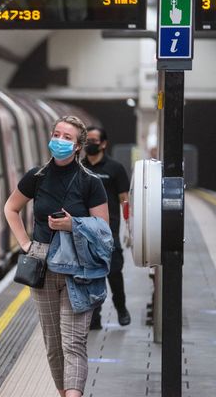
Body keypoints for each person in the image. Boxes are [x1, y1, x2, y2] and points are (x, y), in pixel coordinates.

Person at [4, 115, 108, 397]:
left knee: (73, 342)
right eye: (57, 134)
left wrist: (73, 224)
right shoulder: (36, 177)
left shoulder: (91, 182)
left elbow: (103, 230)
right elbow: (10, 208)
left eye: (67, 138)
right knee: (53, 344)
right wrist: (25, 243)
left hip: (79, 269)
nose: (60, 141)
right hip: (43, 265)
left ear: (78, 147)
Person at [83, 126, 131, 329]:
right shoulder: (79, 167)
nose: (90, 144)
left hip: (109, 229)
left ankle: (121, 308)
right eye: (87, 140)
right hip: (84, 228)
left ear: (103, 144)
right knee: (90, 273)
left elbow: (124, 200)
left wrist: (130, 227)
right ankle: (94, 317)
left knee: (114, 271)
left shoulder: (115, 168)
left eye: (94, 140)